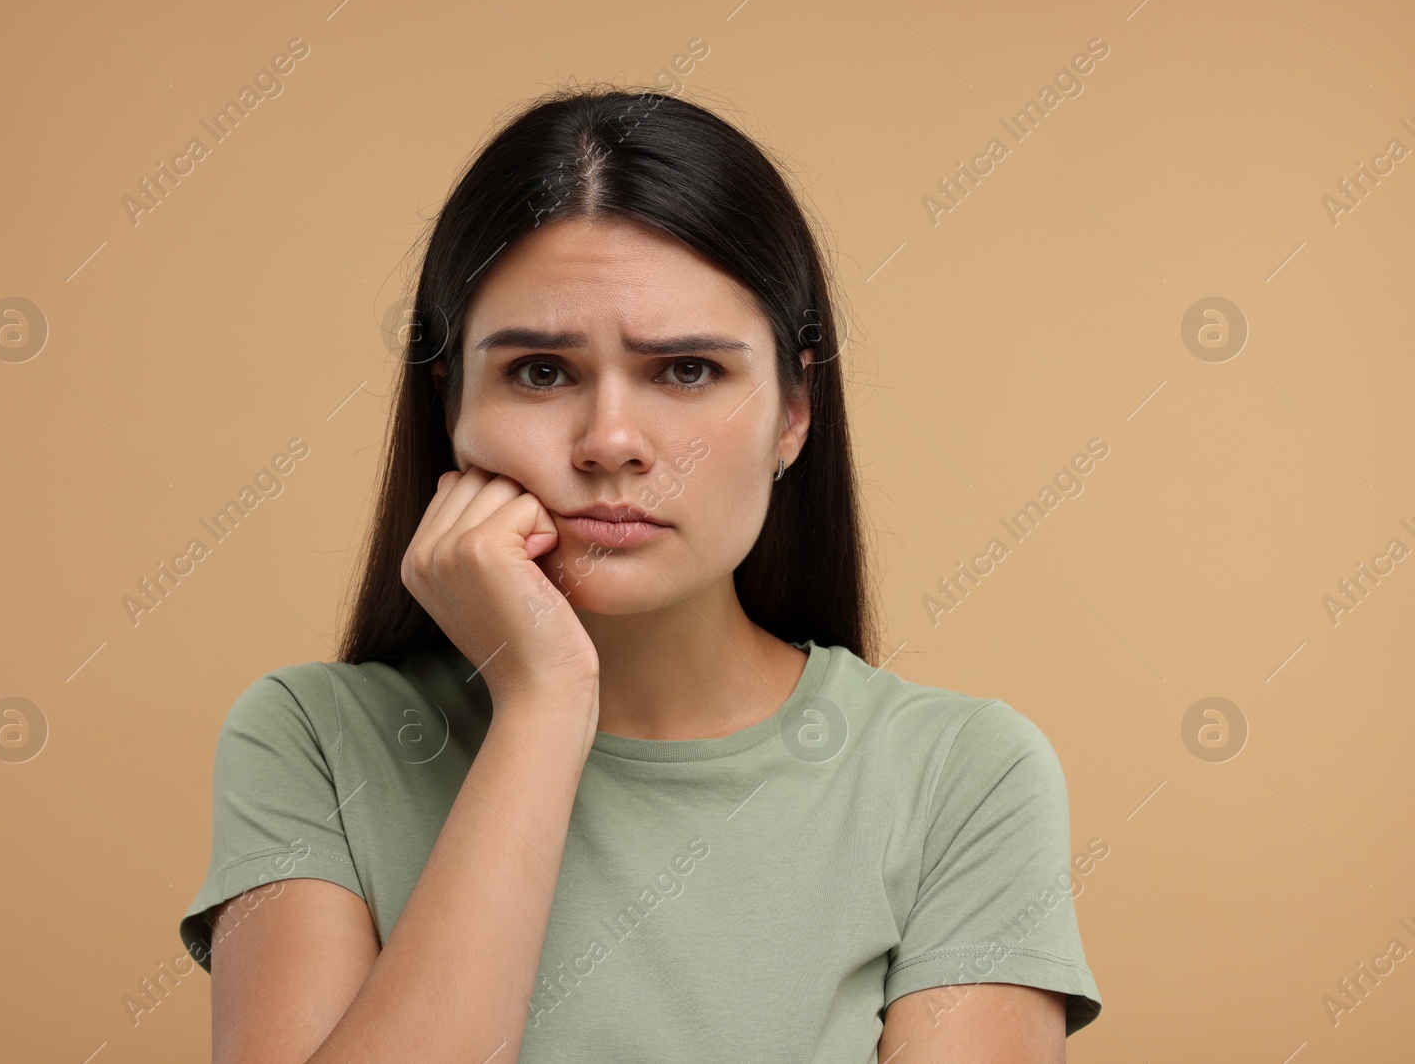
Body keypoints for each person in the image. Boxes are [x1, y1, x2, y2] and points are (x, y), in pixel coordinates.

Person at [178, 83, 1103, 1064]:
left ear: (794, 411)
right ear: (449, 399)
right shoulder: (312, 741)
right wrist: (542, 702)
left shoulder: (964, 774)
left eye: (686, 370)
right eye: (540, 369)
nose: (610, 441)